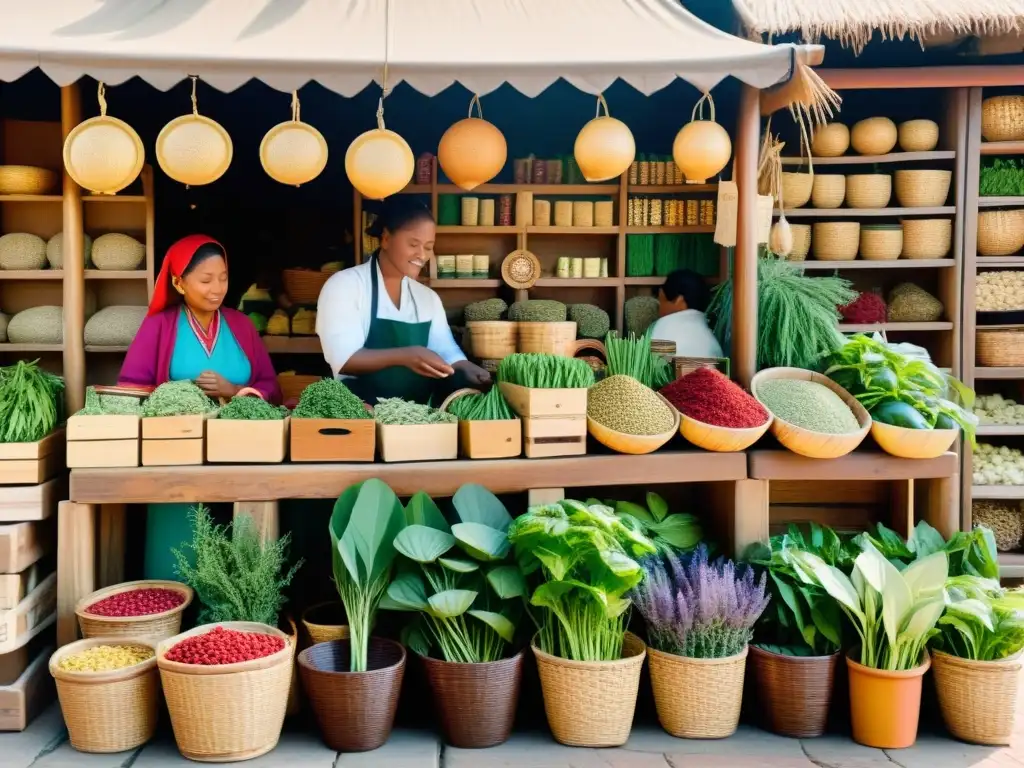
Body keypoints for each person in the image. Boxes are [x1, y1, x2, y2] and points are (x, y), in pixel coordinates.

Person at [119, 234, 282, 580]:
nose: (217, 288)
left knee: (239, 560)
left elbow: (271, 387)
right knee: (177, 554)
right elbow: (129, 389)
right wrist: (176, 397)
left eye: (223, 278)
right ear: (178, 282)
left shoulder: (241, 325)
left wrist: (235, 390)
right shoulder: (159, 326)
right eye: (206, 280)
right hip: (176, 457)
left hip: (240, 455)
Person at [316, 199, 490, 404]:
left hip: (417, 417)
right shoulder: (345, 286)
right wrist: (407, 356)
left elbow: (445, 349)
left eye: (428, 247)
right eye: (413, 244)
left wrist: (464, 366)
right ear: (386, 239)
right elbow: (344, 359)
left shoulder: (427, 298)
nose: (422, 255)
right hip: (360, 415)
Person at [648, 269, 724, 359]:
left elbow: (653, 364)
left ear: (680, 300)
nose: (659, 309)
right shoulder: (712, 337)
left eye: (661, 301)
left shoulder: (664, 325)